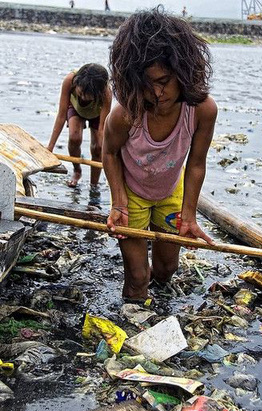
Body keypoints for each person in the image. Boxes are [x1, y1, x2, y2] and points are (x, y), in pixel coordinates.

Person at [103, 7, 217, 302]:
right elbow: (110, 152)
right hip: (132, 196)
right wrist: (118, 202)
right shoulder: (127, 114)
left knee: (167, 269)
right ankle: (133, 324)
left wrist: (189, 215)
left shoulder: (202, 110)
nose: (156, 92)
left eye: (164, 81)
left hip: (170, 192)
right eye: (147, 82)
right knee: (138, 279)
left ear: (184, 74)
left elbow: (195, 164)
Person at [47, 63, 112, 191]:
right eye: (81, 92)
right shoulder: (70, 81)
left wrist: (107, 154)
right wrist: (50, 147)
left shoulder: (106, 92)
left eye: (87, 96)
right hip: (76, 109)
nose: (83, 97)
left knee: (98, 147)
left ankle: (94, 185)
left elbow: (103, 127)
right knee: (74, 137)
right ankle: (77, 171)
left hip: (97, 113)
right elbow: (61, 116)